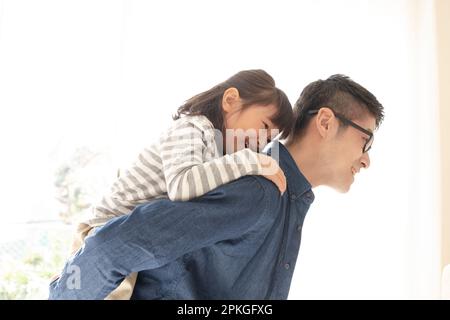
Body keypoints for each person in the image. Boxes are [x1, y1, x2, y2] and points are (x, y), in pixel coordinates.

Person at [49, 74, 384, 300]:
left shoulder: (283, 198)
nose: (367, 160)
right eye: (365, 141)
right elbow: (109, 247)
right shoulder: (257, 192)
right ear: (325, 122)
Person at [67, 69, 294, 299]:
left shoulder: (218, 153)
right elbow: (182, 185)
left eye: (269, 140)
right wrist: (251, 161)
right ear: (231, 100)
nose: (262, 143)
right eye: (264, 127)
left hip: (132, 239)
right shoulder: (193, 127)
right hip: (104, 230)